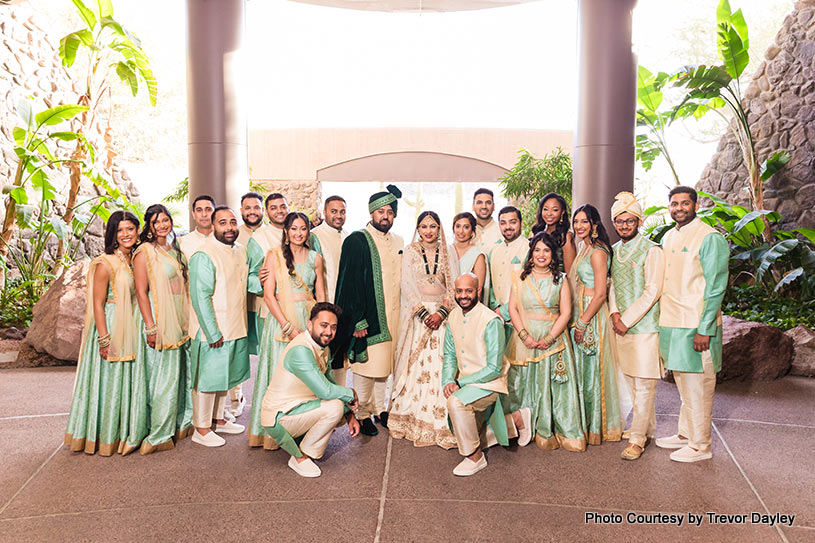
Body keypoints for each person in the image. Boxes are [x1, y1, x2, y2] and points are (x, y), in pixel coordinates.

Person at [65, 211, 148, 456]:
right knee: (110, 380)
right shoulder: (104, 263)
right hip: (110, 324)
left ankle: (125, 432)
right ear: (113, 234)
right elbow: (97, 304)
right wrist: (104, 338)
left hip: (132, 325)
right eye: (120, 230)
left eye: (130, 229)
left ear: (137, 231)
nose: (126, 235)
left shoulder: (136, 259)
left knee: (127, 379)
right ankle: (104, 436)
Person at [656, 186, 728, 463]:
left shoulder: (709, 237)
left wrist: (705, 328)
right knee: (684, 384)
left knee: (699, 385)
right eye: (674, 204)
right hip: (672, 321)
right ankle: (686, 434)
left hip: (696, 324)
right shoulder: (669, 236)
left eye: (685, 203)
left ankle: (701, 446)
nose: (679, 208)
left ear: (696, 205)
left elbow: (716, 286)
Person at [331, 185, 404, 436]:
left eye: (390, 212)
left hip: (394, 317)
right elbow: (349, 282)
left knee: (385, 369)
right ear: (371, 213)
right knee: (366, 368)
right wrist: (358, 321)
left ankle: (381, 409)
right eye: (380, 211)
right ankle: (362, 414)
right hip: (368, 317)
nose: (385, 216)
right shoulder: (357, 240)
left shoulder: (399, 241)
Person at [249, 211, 325, 449]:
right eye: (293, 229)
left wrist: (320, 327)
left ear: (308, 231)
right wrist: (287, 325)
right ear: (286, 231)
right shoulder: (273, 256)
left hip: (307, 321)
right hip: (280, 321)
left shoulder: (315, 258)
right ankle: (271, 433)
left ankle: (301, 430)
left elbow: (321, 295)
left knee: (304, 376)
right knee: (277, 375)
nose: (298, 233)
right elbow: (269, 296)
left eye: (303, 229)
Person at [187, 206, 263, 447]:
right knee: (208, 380)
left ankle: (218, 420)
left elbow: (245, 281)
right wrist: (212, 331)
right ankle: (201, 428)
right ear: (213, 225)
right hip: (213, 329)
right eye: (223, 223)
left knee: (225, 378)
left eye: (232, 222)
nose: (229, 227)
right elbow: (200, 296)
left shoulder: (240, 251)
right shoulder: (204, 254)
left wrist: (268, 280)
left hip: (235, 325)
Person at [505, 232, 586, 452]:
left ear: (553, 254)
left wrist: (549, 338)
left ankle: (549, 428)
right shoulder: (520, 278)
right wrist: (524, 336)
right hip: (524, 339)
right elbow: (512, 308)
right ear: (531, 253)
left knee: (552, 386)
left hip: (554, 340)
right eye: (537, 250)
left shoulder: (561, 278)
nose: (542, 255)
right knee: (522, 384)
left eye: (547, 250)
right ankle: (524, 424)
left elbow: (566, 313)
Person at [260, 303, 360, 477]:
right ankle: (300, 458)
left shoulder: (322, 347)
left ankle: (303, 444)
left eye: (333, 327)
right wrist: (351, 393)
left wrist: (350, 414)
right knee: (334, 406)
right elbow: (326, 392)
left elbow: (330, 382)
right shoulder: (301, 350)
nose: (329, 332)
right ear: (309, 324)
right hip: (278, 418)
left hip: (298, 407)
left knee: (337, 406)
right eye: (323, 325)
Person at [389, 211, 457, 449]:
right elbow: (406, 283)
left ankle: (440, 419)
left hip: (442, 316)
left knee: (440, 365)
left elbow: (454, 285)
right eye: (424, 226)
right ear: (417, 228)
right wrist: (424, 313)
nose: (429, 231)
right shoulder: (410, 250)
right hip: (418, 317)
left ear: (439, 229)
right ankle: (410, 415)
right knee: (415, 366)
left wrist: (442, 313)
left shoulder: (448, 251)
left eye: (433, 226)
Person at [608, 192, 665, 460]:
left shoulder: (652, 249)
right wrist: (615, 314)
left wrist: (626, 320)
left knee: (644, 385)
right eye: (619, 221)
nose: (624, 226)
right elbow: (611, 288)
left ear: (639, 221)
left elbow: (652, 290)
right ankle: (647, 428)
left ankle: (637, 439)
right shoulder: (614, 250)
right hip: (620, 325)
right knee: (631, 381)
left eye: (629, 221)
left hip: (644, 329)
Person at [133, 204, 192, 455]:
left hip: (179, 315)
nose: (162, 225)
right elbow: (141, 292)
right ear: (149, 225)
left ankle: (180, 421)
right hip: (158, 317)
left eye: (165, 220)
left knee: (180, 373)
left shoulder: (175, 248)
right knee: (162, 378)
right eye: (156, 222)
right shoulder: (145, 251)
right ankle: (159, 433)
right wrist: (151, 326)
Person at [442, 273, 513, 476]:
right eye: (459, 291)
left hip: (489, 383)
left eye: (468, 291)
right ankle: (515, 421)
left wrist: (460, 383)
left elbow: (494, 369)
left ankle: (475, 457)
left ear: (478, 291)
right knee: (452, 404)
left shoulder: (491, 321)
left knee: (456, 402)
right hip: (466, 382)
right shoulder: (454, 316)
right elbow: (449, 355)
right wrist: (447, 381)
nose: (463, 296)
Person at [568, 204, 623, 445]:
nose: (579, 226)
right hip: (581, 309)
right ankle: (584, 423)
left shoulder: (598, 251)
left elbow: (601, 293)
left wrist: (581, 322)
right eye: (576, 222)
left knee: (593, 371)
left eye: (584, 222)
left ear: (594, 225)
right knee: (582, 369)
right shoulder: (583, 247)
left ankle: (597, 426)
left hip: (591, 314)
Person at [234, 192, 277, 418]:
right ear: (241, 210)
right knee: (238, 351)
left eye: (256, 207)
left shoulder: (272, 235)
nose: (252, 211)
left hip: (262, 302)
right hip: (238, 303)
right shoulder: (234, 233)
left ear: (264, 210)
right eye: (247, 208)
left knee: (265, 354)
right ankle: (235, 398)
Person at [177, 195, 215, 428]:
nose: (204, 214)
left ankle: (218, 415)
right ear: (193, 214)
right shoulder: (184, 243)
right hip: (191, 307)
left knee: (217, 362)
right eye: (199, 210)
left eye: (208, 209)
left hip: (217, 308)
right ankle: (197, 418)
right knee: (197, 363)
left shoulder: (223, 239)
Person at [488, 206, 528, 324]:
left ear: (521, 223)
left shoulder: (529, 249)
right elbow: (490, 285)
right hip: (495, 315)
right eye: (503, 223)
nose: (508, 227)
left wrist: (504, 311)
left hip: (520, 316)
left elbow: (527, 287)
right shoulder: (494, 250)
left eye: (513, 222)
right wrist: (495, 307)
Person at [309, 195, 347, 304]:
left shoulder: (348, 236)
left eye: (342, 212)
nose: (338, 216)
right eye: (334, 211)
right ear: (324, 212)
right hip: (325, 300)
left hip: (346, 301)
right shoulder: (315, 236)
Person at [530, 192, 577, 273]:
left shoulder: (566, 236)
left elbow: (570, 274)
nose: (549, 213)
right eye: (545, 209)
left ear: (562, 212)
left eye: (555, 210)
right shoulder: (535, 233)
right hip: (534, 283)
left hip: (557, 284)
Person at [449, 212, 489, 303]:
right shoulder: (447, 251)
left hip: (467, 305)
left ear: (472, 232)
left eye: (466, 227)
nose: (461, 231)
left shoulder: (477, 254)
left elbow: (478, 290)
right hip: (445, 305)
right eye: (458, 226)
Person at [471, 188, 501, 254]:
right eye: (479, 202)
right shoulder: (466, 231)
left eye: (488, 202)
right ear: (473, 206)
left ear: (494, 207)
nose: (484, 206)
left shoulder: (502, 230)